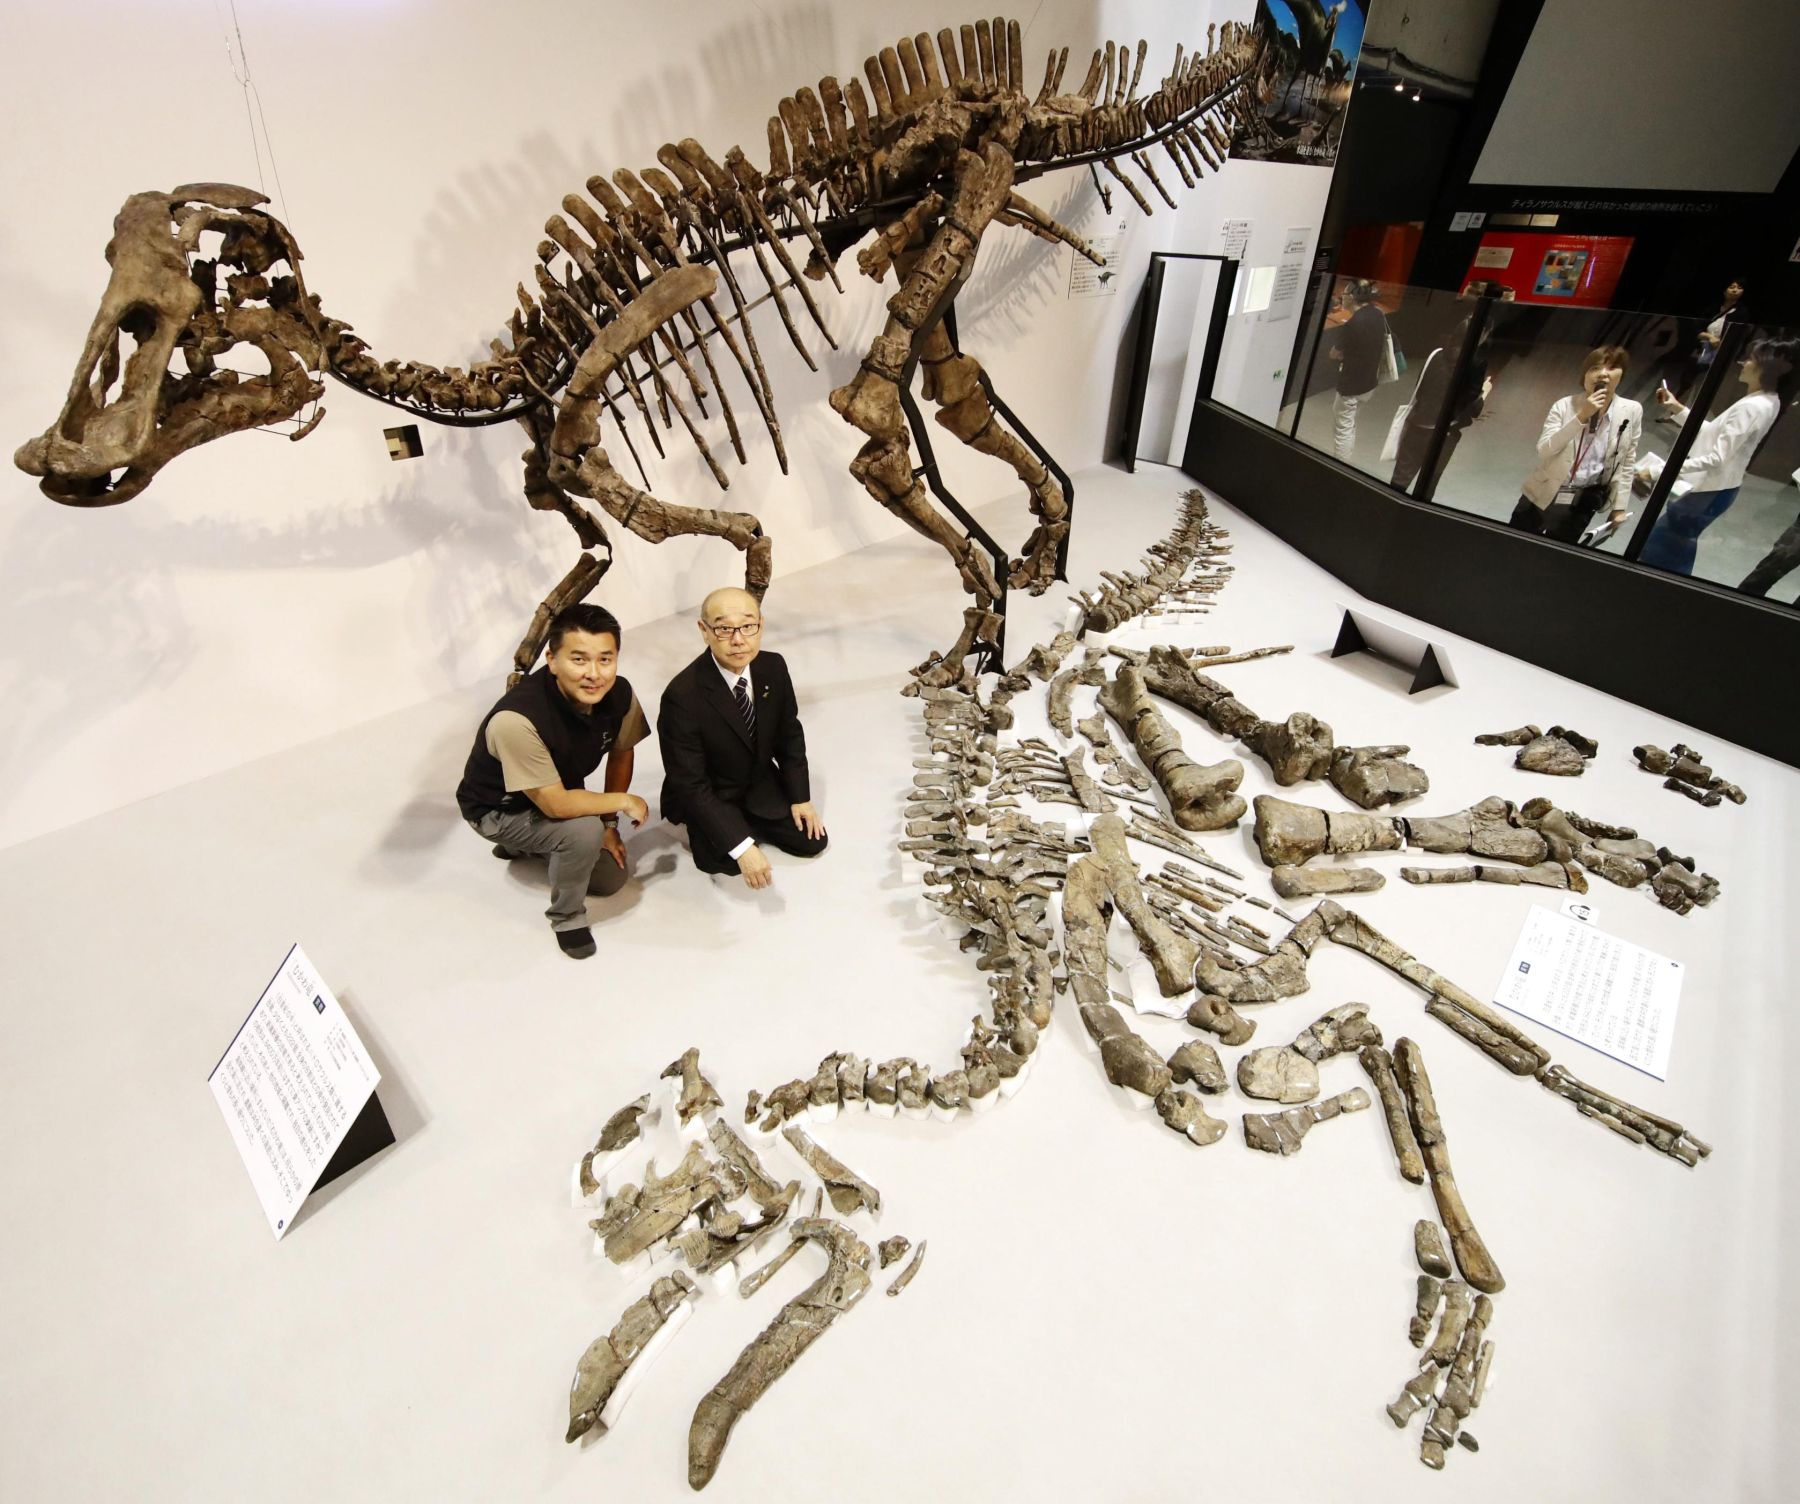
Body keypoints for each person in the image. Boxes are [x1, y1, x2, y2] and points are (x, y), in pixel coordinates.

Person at [454, 604, 651, 959]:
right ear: (552, 660)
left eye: (605, 659)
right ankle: (567, 918)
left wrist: (610, 825)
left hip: (552, 790)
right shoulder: (516, 720)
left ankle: (529, 846)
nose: (594, 674)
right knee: (583, 832)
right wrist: (623, 802)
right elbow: (556, 804)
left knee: (610, 879)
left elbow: (622, 752)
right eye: (579, 660)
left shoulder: (619, 694)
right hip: (498, 810)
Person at [659, 586, 827, 890]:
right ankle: (725, 828)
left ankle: (748, 822)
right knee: (724, 862)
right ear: (704, 631)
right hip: (713, 791)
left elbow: (789, 735)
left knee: (812, 842)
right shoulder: (681, 696)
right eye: (724, 629)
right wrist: (741, 846)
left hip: (758, 781)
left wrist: (800, 797)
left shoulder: (773, 667)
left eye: (748, 626)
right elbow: (690, 783)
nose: (738, 640)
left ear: (761, 625)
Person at [1638, 335, 1796, 576]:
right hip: (1717, 489)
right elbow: (1715, 434)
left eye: (1751, 360)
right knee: (1668, 546)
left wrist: (1658, 471)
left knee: (1664, 552)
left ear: (1765, 369)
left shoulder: (1752, 406)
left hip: (1710, 491)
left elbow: (1717, 458)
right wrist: (1677, 409)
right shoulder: (1767, 401)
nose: (1743, 363)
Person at [1509, 345, 1641, 543]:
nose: (1603, 374)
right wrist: (1581, 416)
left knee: (1557, 553)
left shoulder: (1631, 410)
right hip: (1543, 491)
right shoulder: (1564, 405)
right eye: (1595, 368)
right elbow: (1544, 450)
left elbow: (1627, 460)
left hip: (1583, 502)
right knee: (1514, 543)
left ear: (1622, 374)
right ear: (1585, 375)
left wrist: (1619, 507)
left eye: (1612, 367)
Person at [1390, 312, 1493, 495]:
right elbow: (1472, 407)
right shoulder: (1476, 364)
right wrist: (1484, 393)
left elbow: (1420, 390)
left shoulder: (1435, 354)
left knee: (1398, 482)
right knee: (1426, 487)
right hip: (1444, 435)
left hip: (1417, 425)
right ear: (1483, 334)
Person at [1326, 280, 1388, 463]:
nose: (1341, 298)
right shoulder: (1377, 313)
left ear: (1352, 297)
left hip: (1351, 385)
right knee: (1349, 423)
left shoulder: (1353, 323)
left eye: (1344, 294)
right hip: (1369, 383)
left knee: (1342, 429)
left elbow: (1334, 353)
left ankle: (1339, 465)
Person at [1671, 279, 1745, 406]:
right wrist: (1708, 336)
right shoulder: (1714, 307)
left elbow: (1740, 335)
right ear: (1724, 290)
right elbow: (1696, 326)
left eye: (1739, 288)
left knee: (1706, 383)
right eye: (1732, 287)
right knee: (1689, 379)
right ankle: (1677, 405)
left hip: (1722, 352)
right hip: (1703, 348)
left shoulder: (1742, 312)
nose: (1735, 290)